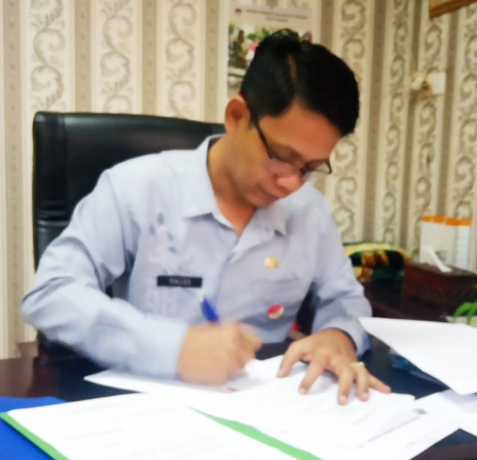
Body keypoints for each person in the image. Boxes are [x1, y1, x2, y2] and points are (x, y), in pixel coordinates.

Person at [22, 29, 390, 404]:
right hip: (147, 403)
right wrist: (173, 348)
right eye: (281, 157)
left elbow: (345, 300)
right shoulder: (137, 187)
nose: (291, 182)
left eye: (310, 167)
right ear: (236, 116)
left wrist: (338, 336)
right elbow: (51, 294)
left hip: (264, 407)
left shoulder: (309, 212)